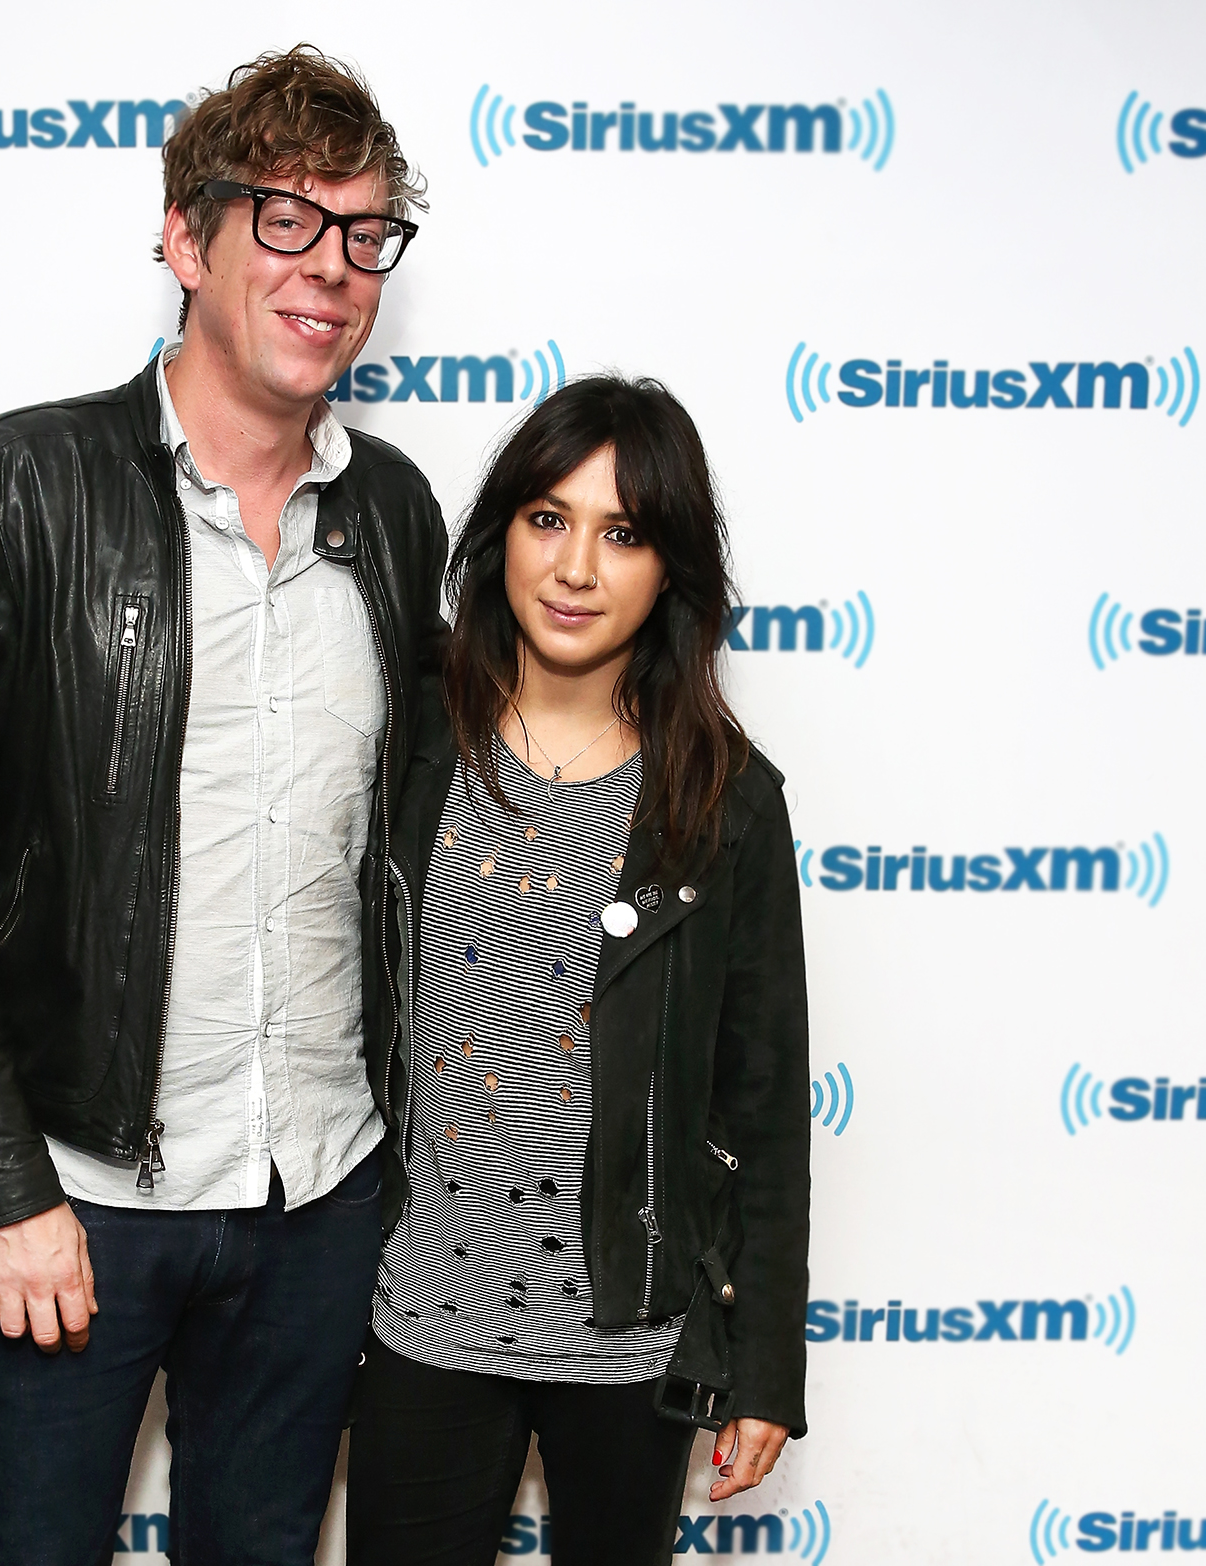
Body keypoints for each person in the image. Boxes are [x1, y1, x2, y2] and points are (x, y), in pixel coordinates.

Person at [0, 46, 446, 1566]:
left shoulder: (393, 513)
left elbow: (412, 849)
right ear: (185, 238)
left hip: (321, 1197)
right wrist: (0, 1188)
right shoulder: (10, 487)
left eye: (365, 232)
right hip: (82, 1205)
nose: (334, 271)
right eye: (287, 223)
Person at [345, 376, 810, 1566]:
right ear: (500, 531)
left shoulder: (725, 805)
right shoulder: (407, 741)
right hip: (420, 1315)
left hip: (630, 1334)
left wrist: (760, 1365)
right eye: (548, 519)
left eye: (624, 534)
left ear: (671, 572)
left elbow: (761, 1105)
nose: (576, 568)